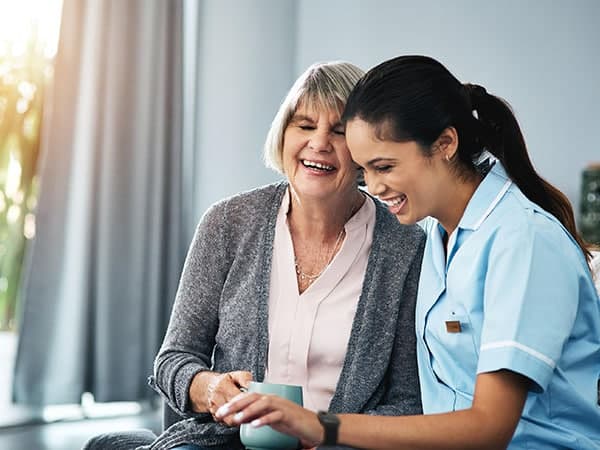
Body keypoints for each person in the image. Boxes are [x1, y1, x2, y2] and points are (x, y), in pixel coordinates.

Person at [217, 55, 600, 449]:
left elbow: (490, 428)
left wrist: (322, 426)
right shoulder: (436, 236)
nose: (375, 188)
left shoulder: (521, 241)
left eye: (385, 167)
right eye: (366, 171)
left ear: (445, 144)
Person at [83, 61, 425, 450]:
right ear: (283, 134)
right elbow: (172, 361)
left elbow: (408, 403)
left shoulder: (405, 247)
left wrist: (321, 429)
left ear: (365, 148)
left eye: (340, 130)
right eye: (305, 125)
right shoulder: (227, 223)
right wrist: (210, 388)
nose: (319, 143)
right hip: (222, 442)